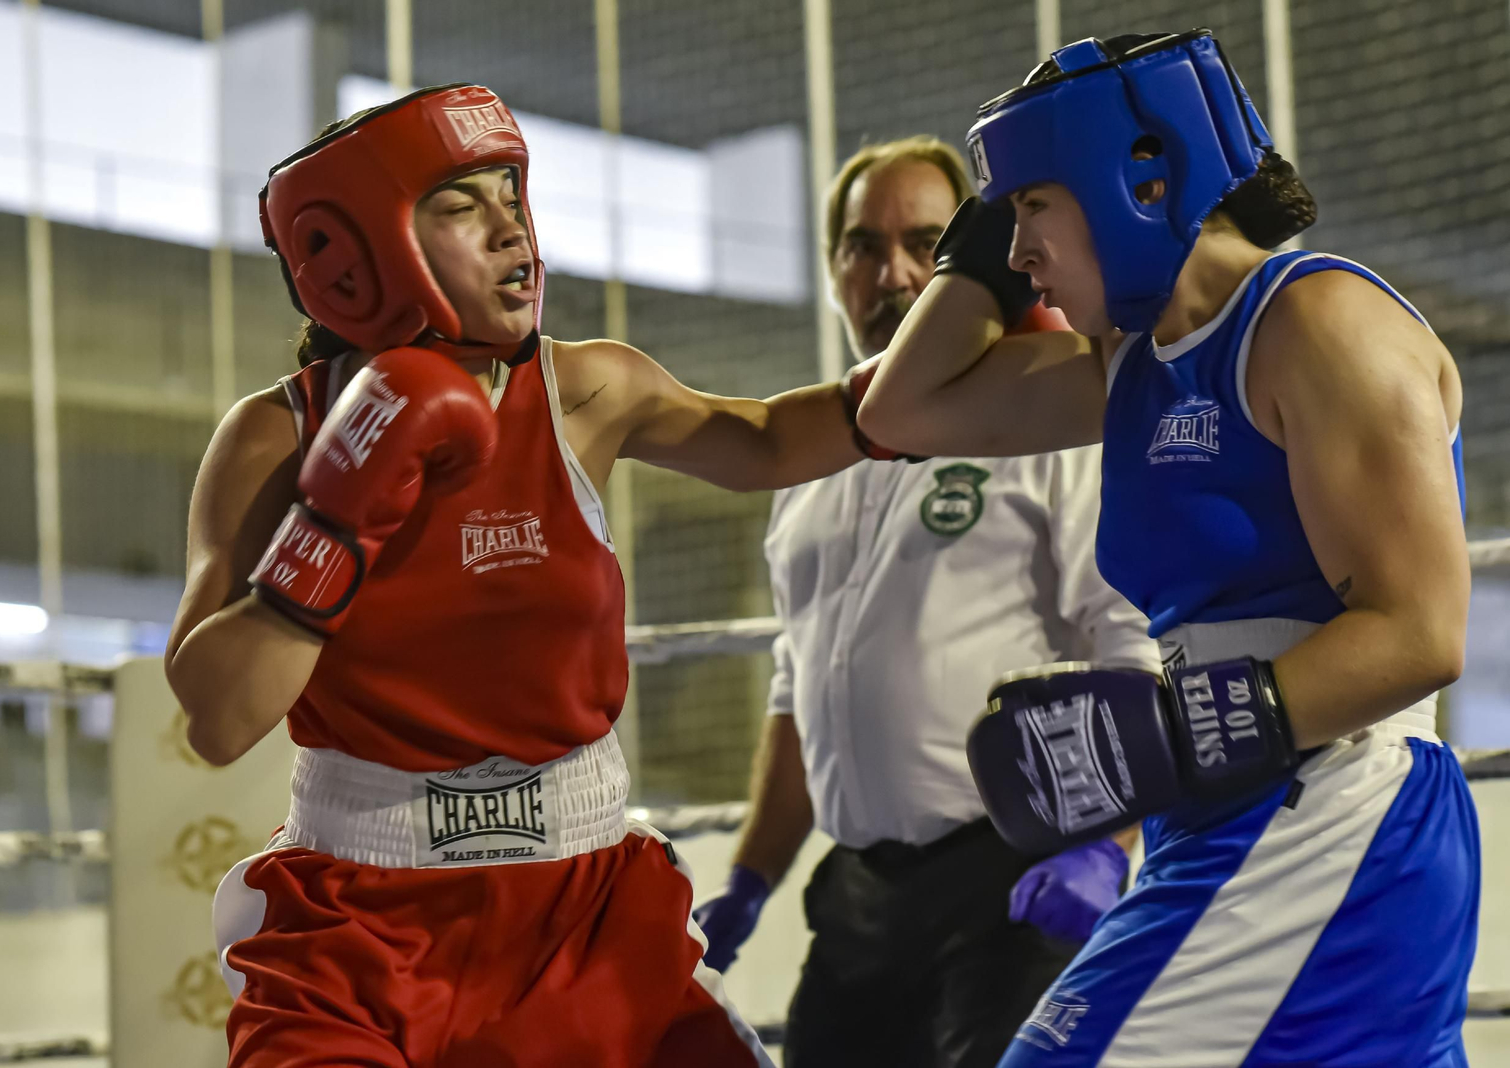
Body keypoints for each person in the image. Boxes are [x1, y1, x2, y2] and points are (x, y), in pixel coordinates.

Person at [165, 83, 876, 1068]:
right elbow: (215, 716)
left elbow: (772, 438)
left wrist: (968, 338)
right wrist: (336, 521)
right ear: (349, 258)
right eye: (462, 204)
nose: (514, 230)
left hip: (583, 914)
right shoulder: (275, 436)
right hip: (360, 929)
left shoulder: (586, 388)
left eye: (513, 193)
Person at [857, 31, 1477, 1067]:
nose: (1017, 256)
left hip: (1335, 806)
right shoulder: (1132, 364)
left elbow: (1420, 634)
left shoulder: (1317, 324)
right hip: (1234, 803)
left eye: (1032, 210)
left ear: (1139, 175)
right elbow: (906, 409)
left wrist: (1171, 732)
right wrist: (976, 238)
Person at [690, 137, 1159, 1068]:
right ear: (833, 271)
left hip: (1017, 883)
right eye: (863, 246)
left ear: (975, 265)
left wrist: (1106, 845)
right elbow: (800, 698)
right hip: (861, 898)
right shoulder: (809, 463)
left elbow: (1133, 651)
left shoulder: (1049, 419)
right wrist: (745, 881)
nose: (893, 270)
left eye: (921, 242)